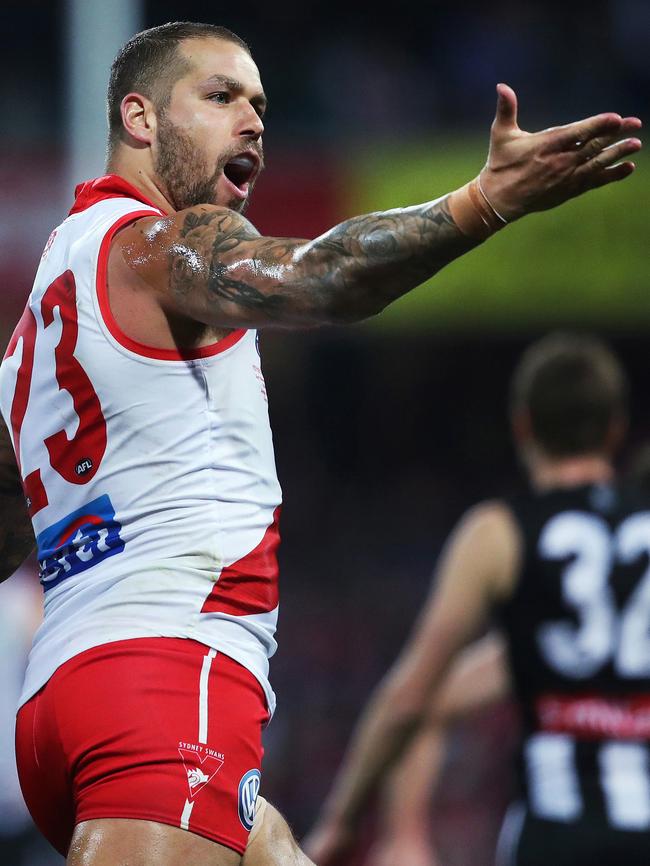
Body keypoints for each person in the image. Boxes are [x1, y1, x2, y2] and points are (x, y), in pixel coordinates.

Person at [0, 17, 643, 866]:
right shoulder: (158, 243)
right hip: (167, 671)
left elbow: (14, 524)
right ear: (140, 119)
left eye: (261, 103)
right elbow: (320, 277)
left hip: (61, 698)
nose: (254, 119)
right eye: (221, 95)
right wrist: (483, 202)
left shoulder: (37, 325)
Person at [305, 334, 650, 866]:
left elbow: (413, 696)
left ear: (522, 426)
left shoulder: (499, 533)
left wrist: (345, 821)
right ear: (615, 429)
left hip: (556, 836)